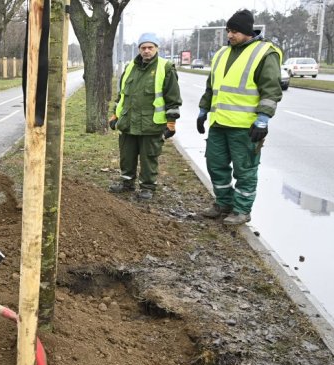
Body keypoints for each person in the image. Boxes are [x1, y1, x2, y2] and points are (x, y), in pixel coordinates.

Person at [196, 9, 282, 225]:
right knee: (216, 165)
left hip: (246, 127)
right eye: (228, 31)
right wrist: (203, 110)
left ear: (247, 32)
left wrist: (263, 118)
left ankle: (242, 210)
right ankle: (223, 203)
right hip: (219, 123)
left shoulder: (264, 53)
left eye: (234, 31)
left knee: (245, 170)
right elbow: (212, 87)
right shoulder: (221, 54)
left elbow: (271, 90)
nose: (230, 36)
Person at [108, 32, 182, 200]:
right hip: (128, 122)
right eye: (143, 48)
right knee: (127, 156)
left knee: (149, 158)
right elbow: (122, 96)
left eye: (150, 47)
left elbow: (173, 98)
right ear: (139, 49)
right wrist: (115, 115)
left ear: (157, 48)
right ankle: (126, 183)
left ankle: (147, 187)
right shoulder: (130, 68)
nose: (147, 51)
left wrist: (171, 123)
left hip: (151, 125)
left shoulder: (166, 68)